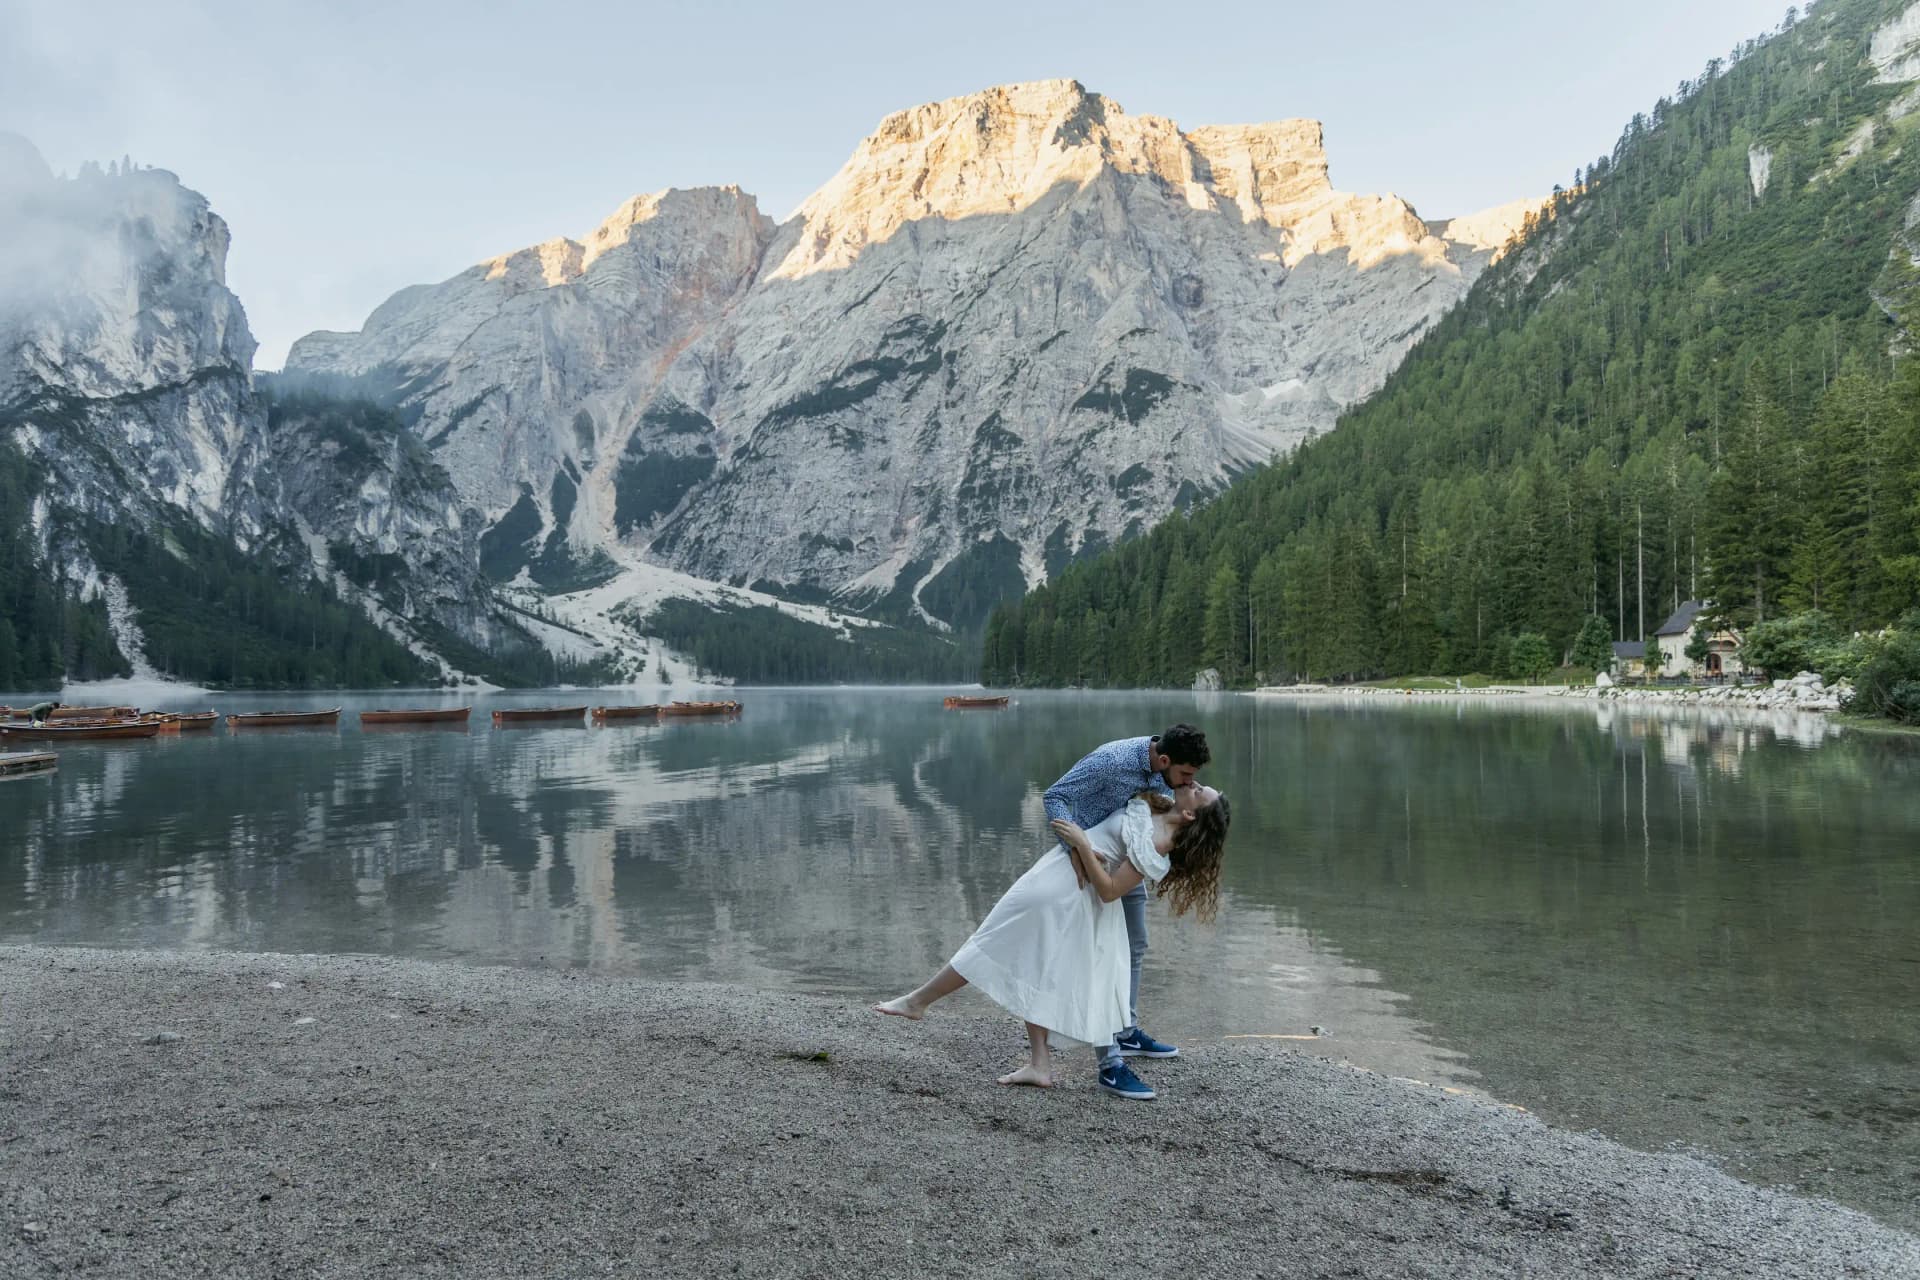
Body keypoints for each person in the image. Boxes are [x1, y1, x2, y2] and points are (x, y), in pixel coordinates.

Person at [873, 781, 1231, 1091]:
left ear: (1190, 817)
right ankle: (1039, 1064)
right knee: (1037, 967)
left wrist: (1080, 842)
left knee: (992, 942)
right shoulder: (1161, 806)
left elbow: (1109, 891)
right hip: (1059, 879)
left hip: (1068, 892)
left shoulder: (1159, 844)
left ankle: (918, 1002)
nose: (1194, 785)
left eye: (1200, 793)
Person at [1041, 724, 1210, 1100]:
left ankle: (1126, 1031)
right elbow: (1055, 797)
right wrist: (1076, 848)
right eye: (1185, 775)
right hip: (1091, 865)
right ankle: (1109, 1063)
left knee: (1136, 946)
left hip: (1128, 862)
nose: (1187, 783)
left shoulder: (1167, 775)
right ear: (1165, 761)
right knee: (1104, 957)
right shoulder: (1110, 761)